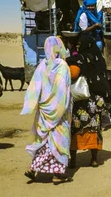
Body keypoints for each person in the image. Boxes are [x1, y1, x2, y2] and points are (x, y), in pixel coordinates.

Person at [22, 36, 73, 184]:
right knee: (59, 141)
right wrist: (59, 108)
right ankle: (57, 174)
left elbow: (34, 87)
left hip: (44, 111)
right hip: (59, 110)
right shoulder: (62, 66)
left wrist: (33, 105)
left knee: (43, 140)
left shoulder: (42, 65)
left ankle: (33, 168)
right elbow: (64, 90)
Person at [68, 36, 111, 169]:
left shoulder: (78, 60)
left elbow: (72, 74)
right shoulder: (100, 59)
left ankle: (73, 161)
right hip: (96, 100)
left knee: (75, 129)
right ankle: (93, 160)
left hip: (81, 100)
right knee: (94, 128)